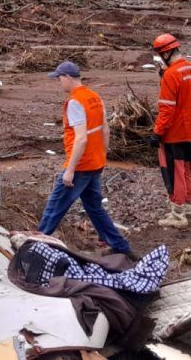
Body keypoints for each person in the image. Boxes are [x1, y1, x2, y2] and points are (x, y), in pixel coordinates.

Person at [37, 60, 132, 255]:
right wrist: (101, 157)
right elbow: (105, 130)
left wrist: (70, 170)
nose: (58, 82)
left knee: (54, 208)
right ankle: (121, 248)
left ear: (68, 77)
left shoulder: (74, 102)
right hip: (95, 163)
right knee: (95, 209)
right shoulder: (94, 97)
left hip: (81, 165)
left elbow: (80, 139)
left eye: (59, 78)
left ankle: (33, 244)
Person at [149, 33, 191, 228]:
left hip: (175, 132)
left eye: (160, 54)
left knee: (175, 171)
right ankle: (190, 209)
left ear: (165, 53)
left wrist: (157, 132)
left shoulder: (171, 75)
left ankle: (177, 214)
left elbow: (166, 108)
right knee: (186, 169)